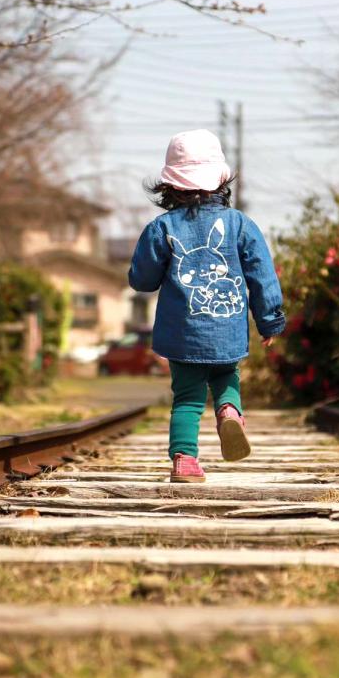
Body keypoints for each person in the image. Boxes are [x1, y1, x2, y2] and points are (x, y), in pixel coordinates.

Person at [129, 129, 285, 483]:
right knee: (227, 376)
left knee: (187, 398)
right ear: (220, 180)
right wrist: (270, 321)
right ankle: (229, 411)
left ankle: (185, 460)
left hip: (182, 336)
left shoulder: (161, 228)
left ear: (170, 185)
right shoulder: (241, 224)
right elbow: (262, 276)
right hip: (227, 331)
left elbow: (142, 280)